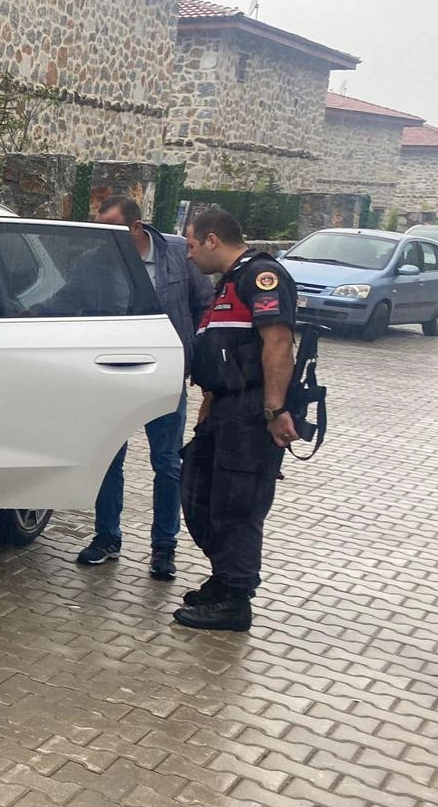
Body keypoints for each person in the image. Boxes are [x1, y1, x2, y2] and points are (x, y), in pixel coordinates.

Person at [75, 196, 214, 580]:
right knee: (108, 458)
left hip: (165, 375)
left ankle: (164, 548)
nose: (103, 237)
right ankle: (107, 537)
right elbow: (69, 301)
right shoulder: (94, 262)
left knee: (167, 463)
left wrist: (193, 355)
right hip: (112, 375)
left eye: (111, 229)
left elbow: (206, 305)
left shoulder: (176, 254)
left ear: (136, 227)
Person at [175, 207, 298, 631]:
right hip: (223, 410)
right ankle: (224, 578)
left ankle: (235, 599)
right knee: (198, 491)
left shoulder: (262, 276)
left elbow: (278, 342)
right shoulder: (228, 281)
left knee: (237, 506)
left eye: (192, 244)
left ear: (212, 240)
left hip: (251, 412)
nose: (189, 254)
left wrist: (275, 409)